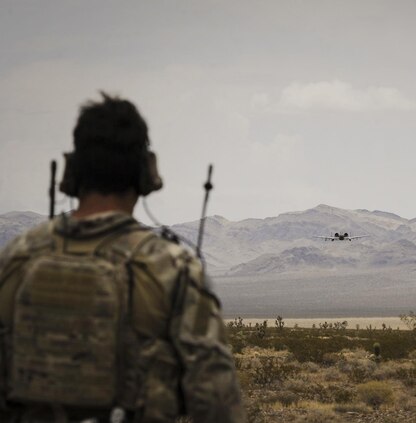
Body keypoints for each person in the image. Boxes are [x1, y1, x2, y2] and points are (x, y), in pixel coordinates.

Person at [0, 93, 246, 422]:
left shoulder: (17, 257)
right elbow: (216, 402)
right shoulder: (169, 268)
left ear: (72, 172)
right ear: (145, 173)